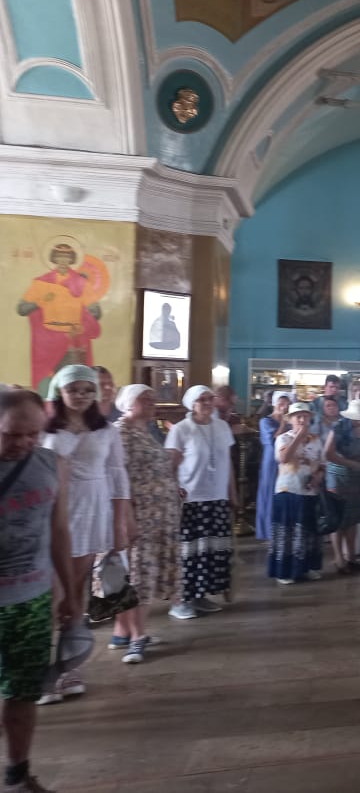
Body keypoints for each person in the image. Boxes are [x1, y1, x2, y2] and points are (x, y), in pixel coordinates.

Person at [0, 388, 80, 793]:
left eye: (33, 433)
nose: (24, 443)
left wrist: (70, 593)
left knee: (23, 691)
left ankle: (17, 772)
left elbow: (59, 531)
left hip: (31, 599)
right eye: (12, 435)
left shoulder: (52, 464)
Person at [40, 365, 131, 704]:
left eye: (87, 390)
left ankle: (68, 668)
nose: (81, 395)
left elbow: (117, 475)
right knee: (52, 593)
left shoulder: (106, 430)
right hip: (56, 508)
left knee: (77, 591)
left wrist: (121, 522)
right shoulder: (45, 429)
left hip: (93, 507)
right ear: (59, 392)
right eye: (74, 389)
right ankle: (39, 670)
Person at [108, 384, 181, 664]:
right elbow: (118, 479)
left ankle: (123, 633)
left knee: (141, 575)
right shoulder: (121, 432)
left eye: (153, 398)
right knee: (139, 577)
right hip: (139, 517)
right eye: (145, 398)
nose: (153, 402)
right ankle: (137, 638)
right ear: (127, 404)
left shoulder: (146, 431)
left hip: (157, 515)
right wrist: (126, 517)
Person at [164, 385, 236, 621]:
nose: (207, 403)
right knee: (189, 551)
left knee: (210, 549)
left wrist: (232, 492)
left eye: (209, 399)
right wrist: (174, 492)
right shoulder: (182, 429)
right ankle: (180, 601)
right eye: (201, 400)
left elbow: (228, 463)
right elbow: (171, 466)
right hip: (192, 498)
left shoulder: (222, 426)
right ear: (192, 404)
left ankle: (199, 595)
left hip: (217, 497)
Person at [17, 241, 104, 395]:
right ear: (54, 259)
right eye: (59, 256)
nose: (63, 260)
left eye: (66, 257)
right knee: (49, 384)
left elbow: (96, 312)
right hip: (46, 342)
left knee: (72, 382)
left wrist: (84, 319)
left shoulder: (81, 283)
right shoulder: (42, 283)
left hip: (71, 340)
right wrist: (41, 300)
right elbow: (22, 309)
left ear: (71, 259)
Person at [269, 402, 324, 584]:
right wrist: (299, 436)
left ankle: (306, 567)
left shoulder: (316, 439)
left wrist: (318, 477)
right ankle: (284, 571)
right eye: (297, 416)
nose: (302, 419)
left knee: (308, 530)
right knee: (288, 531)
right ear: (291, 419)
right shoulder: (283, 439)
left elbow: (322, 463)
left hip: (309, 490)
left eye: (305, 416)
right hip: (288, 489)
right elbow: (284, 458)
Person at [322, 399, 360, 574]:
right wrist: (350, 463)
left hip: (357, 478)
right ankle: (339, 559)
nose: (359, 420)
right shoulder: (339, 427)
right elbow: (327, 453)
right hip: (338, 477)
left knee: (353, 517)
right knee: (338, 518)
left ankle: (351, 556)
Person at [256, 391, 291, 541]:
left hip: (287, 461)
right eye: (281, 404)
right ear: (274, 404)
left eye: (287, 404)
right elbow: (273, 440)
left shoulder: (291, 422)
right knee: (270, 493)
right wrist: (283, 422)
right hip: (271, 462)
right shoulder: (266, 422)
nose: (284, 407)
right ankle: (268, 530)